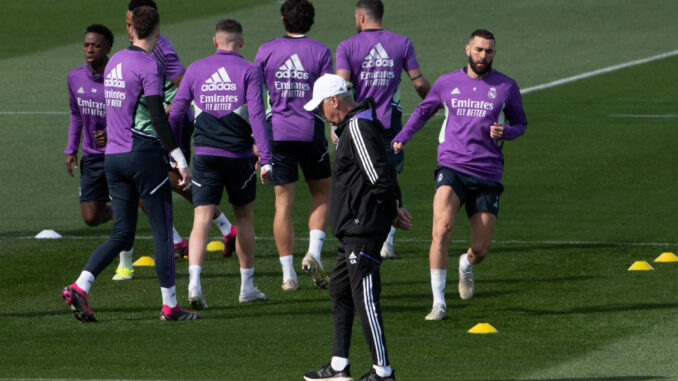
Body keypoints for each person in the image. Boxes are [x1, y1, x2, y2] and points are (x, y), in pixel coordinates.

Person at [61, 6, 199, 322]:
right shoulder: (149, 65)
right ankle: (170, 307)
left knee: (123, 234)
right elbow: (157, 116)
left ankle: (80, 286)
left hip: (113, 157)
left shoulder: (115, 63)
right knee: (163, 231)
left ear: (130, 30)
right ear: (158, 33)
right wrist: (179, 160)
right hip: (143, 155)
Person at [392, 29, 528, 320]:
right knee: (441, 229)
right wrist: (402, 137)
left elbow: (521, 123)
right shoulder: (446, 82)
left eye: (489, 51)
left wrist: (507, 131)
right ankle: (438, 303)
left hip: (487, 172)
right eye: (479, 50)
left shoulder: (506, 87)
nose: (483, 56)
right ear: (467, 49)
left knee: (480, 249)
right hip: (452, 166)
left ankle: (465, 264)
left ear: (494, 53)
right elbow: (422, 112)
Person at [111, 0, 238, 283]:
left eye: (133, 23)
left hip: (168, 125)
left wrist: (169, 109)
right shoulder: (136, 50)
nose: (129, 29)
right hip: (148, 127)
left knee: (167, 180)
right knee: (161, 181)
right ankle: (215, 231)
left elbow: (183, 82)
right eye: (128, 24)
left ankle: (202, 234)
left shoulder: (160, 47)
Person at [303, 74, 412, 381]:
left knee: (365, 297)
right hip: (352, 228)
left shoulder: (358, 128)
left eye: (322, 106)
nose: (321, 114)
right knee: (339, 289)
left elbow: (378, 176)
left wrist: (392, 211)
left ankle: (383, 371)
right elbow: (387, 167)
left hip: (361, 227)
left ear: (334, 101)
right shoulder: (359, 124)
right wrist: (395, 206)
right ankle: (339, 365)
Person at [169, 19, 272, 309]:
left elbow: (175, 114)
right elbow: (257, 117)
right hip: (239, 158)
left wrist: (174, 153)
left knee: (201, 218)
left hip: (203, 155)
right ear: (241, 42)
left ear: (215, 41)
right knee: (244, 219)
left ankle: (193, 284)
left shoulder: (195, 69)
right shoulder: (250, 71)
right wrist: (266, 157)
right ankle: (246, 287)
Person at [335, 0, 430, 260]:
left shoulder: (347, 46)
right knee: (390, 175)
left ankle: (361, 228)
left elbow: (342, 88)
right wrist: (435, 102)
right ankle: (388, 239)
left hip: (359, 123)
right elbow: (418, 82)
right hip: (391, 122)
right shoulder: (402, 43)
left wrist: (336, 127)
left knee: (360, 176)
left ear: (361, 17)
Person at [254, 0, 333, 291]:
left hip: (277, 131)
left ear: (283, 19)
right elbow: (328, 98)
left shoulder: (266, 51)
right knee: (322, 195)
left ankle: (288, 275)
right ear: (310, 21)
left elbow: (254, 97)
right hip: (310, 130)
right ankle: (313, 251)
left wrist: (257, 141)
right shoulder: (321, 51)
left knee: (282, 204)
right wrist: (335, 128)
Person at [65, 24, 114, 229]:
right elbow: (76, 114)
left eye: (96, 45)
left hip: (118, 153)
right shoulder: (74, 77)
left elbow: (133, 115)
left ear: (107, 49)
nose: (90, 49)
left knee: (123, 202)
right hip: (92, 156)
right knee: (91, 218)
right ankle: (124, 208)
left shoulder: (119, 77)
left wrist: (111, 133)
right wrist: (71, 148)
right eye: (86, 45)